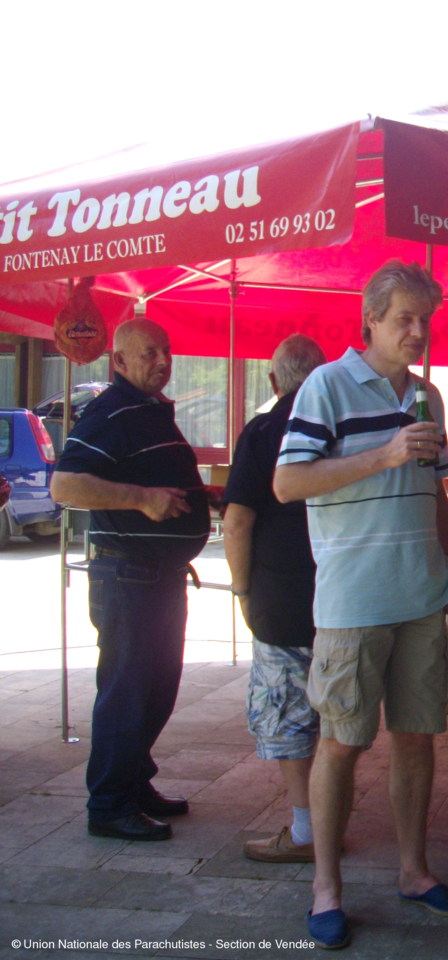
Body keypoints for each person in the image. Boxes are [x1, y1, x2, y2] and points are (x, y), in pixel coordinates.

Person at [274, 260, 448, 950]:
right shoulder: (326, 385)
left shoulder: (429, 396)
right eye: (404, 319)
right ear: (371, 320)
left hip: (420, 596)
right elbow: (287, 482)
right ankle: (326, 889)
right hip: (353, 600)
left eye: (426, 320)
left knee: (417, 738)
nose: (418, 332)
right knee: (342, 743)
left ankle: (414, 872)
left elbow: (434, 487)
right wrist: (382, 455)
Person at [50, 318, 210, 842]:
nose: (163, 361)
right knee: (127, 692)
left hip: (158, 576)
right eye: (148, 353)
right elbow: (64, 485)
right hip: (128, 576)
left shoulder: (147, 409)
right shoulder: (111, 411)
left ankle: (134, 783)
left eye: (166, 351)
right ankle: (109, 804)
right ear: (118, 361)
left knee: (157, 689)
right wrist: (140, 499)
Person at [224, 333, 326, 863]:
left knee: (289, 718)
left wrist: (241, 589)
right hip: (343, 597)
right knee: (339, 717)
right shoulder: (342, 430)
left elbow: (237, 522)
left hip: (281, 599)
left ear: (272, 381)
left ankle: (308, 831)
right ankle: (328, 821)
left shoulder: (263, 430)